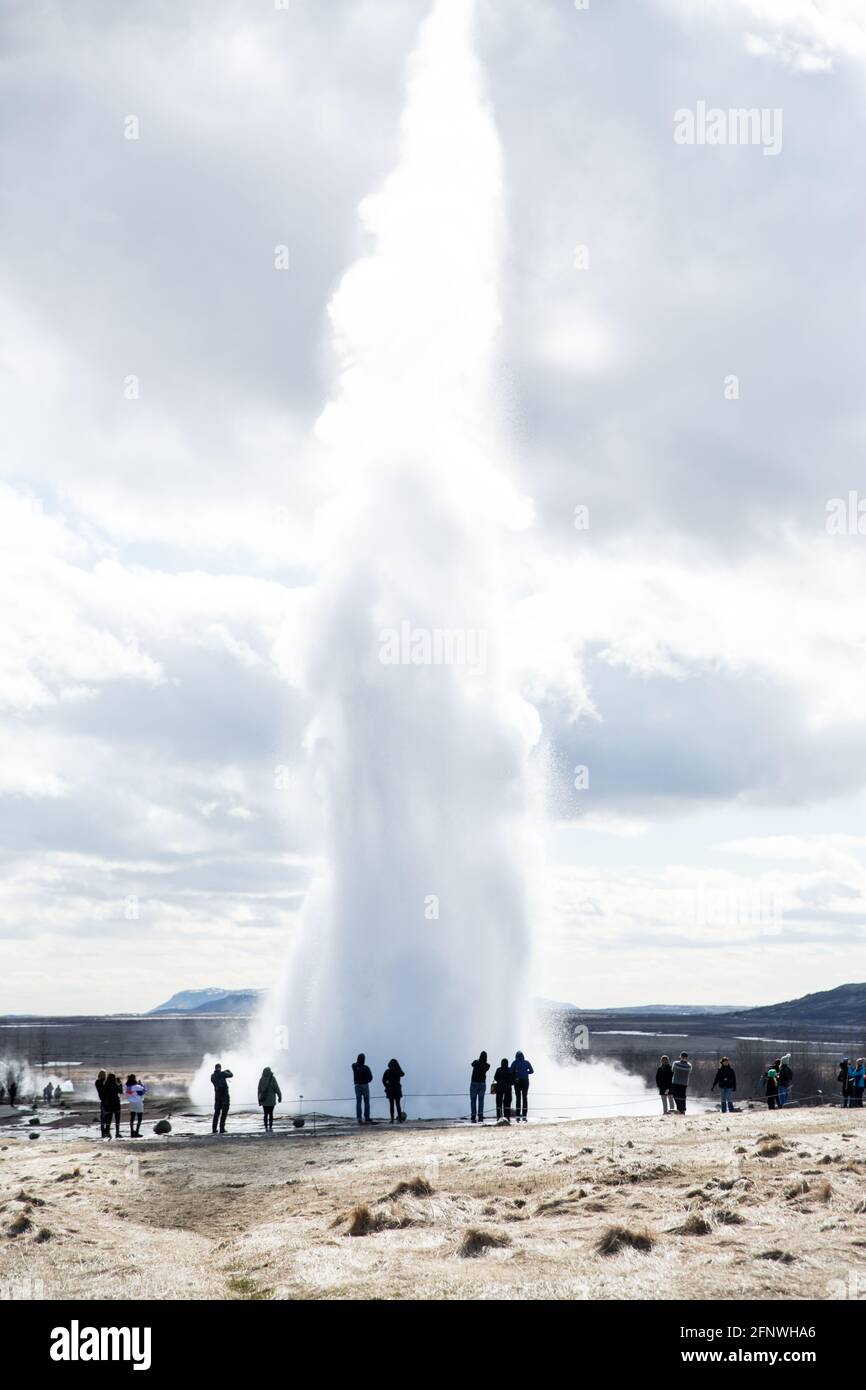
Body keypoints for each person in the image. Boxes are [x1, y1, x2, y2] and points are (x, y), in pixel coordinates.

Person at [510, 1051, 534, 1122]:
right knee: (525, 1097)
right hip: (525, 1081)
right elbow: (532, 1071)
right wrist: (526, 1072)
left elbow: (510, 1071)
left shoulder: (514, 1062)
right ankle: (524, 1114)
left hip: (517, 1082)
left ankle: (518, 1113)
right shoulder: (527, 1062)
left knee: (518, 1098)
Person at [210, 1063, 234, 1134]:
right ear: (220, 1068)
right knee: (224, 1113)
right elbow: (231, 1075)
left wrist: (222, 1072)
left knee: (216, 1113)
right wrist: (227, 1071)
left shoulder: (212, 1076)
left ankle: (214, 1129)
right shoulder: (223, 1074)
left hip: (217, 1097)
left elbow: (215, 1079)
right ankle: (222, 1128)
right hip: (224, 1097)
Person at [257, 1067, 282, 1131]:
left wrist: (259, 1100)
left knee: (265, 1114)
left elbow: (259, 1091)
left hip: (264, 1100)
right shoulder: (272, 1079)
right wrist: (280, 1097)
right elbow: (277, 1088)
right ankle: (270, 1127)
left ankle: (266, 1127)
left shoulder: (261, 1079)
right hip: (271, 1101)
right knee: (271, 1114)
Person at [469, 1051, 490, 1123]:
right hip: (482, 1083)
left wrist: (478, 1060)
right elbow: (486, 1067)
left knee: (473, 1100)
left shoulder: (475, 1063)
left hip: (474, 1083)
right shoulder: (487, 1065)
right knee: (481, 1100)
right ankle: (480, 1114)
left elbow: (472, 1064)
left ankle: (473, 1115)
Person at [352, 1054, 373, 1124]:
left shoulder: (354, 1066)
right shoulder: (366, 1068)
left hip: (357, 1085)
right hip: (365, 1085)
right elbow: (371, 1077)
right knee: (366, 1102)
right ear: (364, 1059)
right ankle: (367, 1117)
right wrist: (366, 1081)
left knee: (358, 1102)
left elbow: (354, 1064)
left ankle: (359, 1118)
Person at [493, 1058, 513, 1122]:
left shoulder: (499, 1069)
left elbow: (495, 1077)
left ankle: (499, 1116)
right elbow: (512, 1079)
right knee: (507, 1103)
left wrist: (500, 1081)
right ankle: (507, 1116)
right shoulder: (510, 1070)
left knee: (499, 1102)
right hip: (508, 1088)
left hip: (499, 1088)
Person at [103, 1072, 122, 1138]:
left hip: (108, 1104)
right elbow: (121, 1091)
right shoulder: (115, 1084)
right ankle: (117, 1133)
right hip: (116, 1103)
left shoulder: (106, 1085)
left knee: (109, 1119)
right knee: (117, 1119)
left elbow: (104, 1094)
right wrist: (120, 1084)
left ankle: (108, 1133)